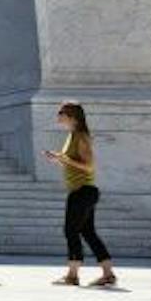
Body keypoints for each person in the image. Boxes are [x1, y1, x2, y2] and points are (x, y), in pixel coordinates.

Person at [44, 100, 116, 288]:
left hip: (83, 191)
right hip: (82, 190)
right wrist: (59, 159)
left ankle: (72, 275)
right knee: (88, 232)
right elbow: (73, 163)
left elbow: (89, 166)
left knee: (71, 231)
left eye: (61, 112)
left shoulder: (81, 136)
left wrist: (65, 159)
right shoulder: (72, 135)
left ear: (72, 116)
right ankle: (108, 274)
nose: (58, 116)